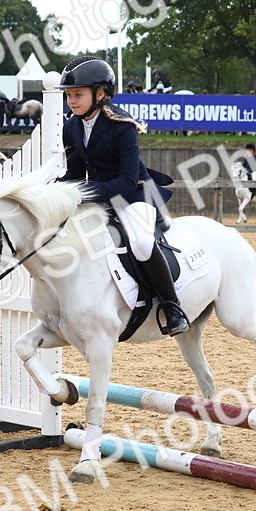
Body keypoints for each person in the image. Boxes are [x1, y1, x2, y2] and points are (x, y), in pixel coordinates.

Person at [55, 55, 188, 337]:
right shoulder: (71, 127)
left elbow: (127, 180)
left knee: (140, 242)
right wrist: (56, 189)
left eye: (78, 94)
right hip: (99, 195)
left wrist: (80, 193)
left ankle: (172, 306)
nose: (71, 101)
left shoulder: (123, 126)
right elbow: (76, 173)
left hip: (136, 193)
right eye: (68, 95)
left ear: (100, 94)